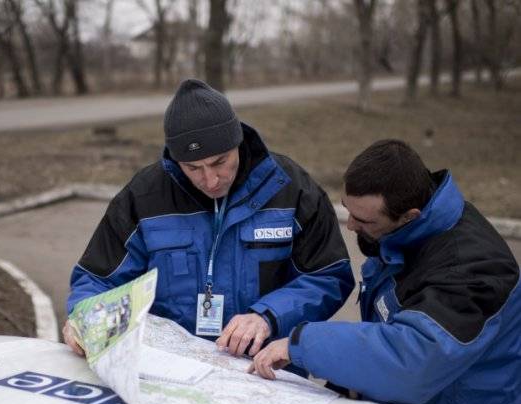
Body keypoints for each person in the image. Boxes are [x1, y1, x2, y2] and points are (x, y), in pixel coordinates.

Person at [63, 79, 354, 358]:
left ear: (238, 142)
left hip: (265, 368)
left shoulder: (291, 189)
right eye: (193, 168)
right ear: (176, 160)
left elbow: (328, 276)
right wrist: (83, 318)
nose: (211, 180)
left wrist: (269, 316)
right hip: (172, 368)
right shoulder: (144, 197)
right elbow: (97, 278)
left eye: (220, 162)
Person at [249, 139, 520, 404]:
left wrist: (301, 345)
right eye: (347, 210)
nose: (351, 226)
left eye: (364, 220)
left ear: (408, 217)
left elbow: (413, 361)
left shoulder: (474, 270)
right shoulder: (405, 233)